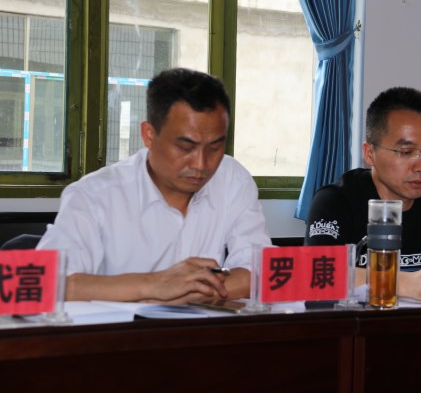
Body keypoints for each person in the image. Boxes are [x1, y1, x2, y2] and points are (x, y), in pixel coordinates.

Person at [37, 68, 272, 303]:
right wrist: (153, 285)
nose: (200, 164)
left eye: (214, 147)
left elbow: (259, 270)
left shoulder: (232, 180)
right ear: (148, 135)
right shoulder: (93, 196)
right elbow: (48, 283)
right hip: (119, 328)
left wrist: (183, 294)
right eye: (185, 147)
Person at [305, 87, 421, 305]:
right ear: (370, 153)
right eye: (406, 152)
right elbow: (315, 271)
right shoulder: (336, 201)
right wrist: (402, 282)